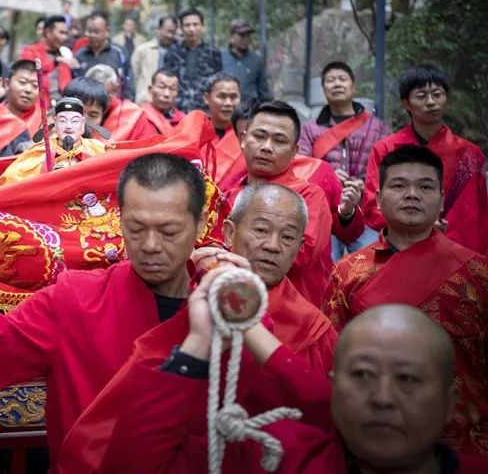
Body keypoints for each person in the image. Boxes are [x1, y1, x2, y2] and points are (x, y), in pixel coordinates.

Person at [0, 153, 220, 466]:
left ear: (200, 223)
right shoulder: (77, 299)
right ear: (119, 219)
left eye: (168, 231)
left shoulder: (223, 303)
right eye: (136, 228)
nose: (150, 245)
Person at [67, 299, 487, 472]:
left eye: (408, 380)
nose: (382, 398)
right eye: (361, 376)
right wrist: (197, 343)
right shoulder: (275, 455)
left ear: (451, 402)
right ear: (334, 386)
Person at [324, 144, 488, 457]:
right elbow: (333, 361)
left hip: (466, 447)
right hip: (369, 440)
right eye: (399, 185)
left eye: (425, 186)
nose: (412, 194)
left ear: (441, 200)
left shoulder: (478, 274)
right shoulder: (346, 274)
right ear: (378, 197)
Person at [194, 184, 338, 368]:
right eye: (261, 230)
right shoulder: (197, 293)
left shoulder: (314, 329)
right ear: (230, 232)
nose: (273, 246)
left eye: (287, 237)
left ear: (299, 247)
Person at [362, 64, 488, 254]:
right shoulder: (385, 149)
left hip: (461, 256)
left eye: (437, 94)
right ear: (406, 103)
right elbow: (372, 206)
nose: (431, 102)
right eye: (421, 96)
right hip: (402, 251)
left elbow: (483, 217)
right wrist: (417, 226)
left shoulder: (470, 154)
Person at [228, 100, 339, 307]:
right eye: (259, 136)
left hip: (292, 317)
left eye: (279, 141)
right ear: (243, 139)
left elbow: (299, 257)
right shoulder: (229, 195)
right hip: (234, 308)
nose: (266, 147)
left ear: (295, 150)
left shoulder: (308, 197)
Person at [298, 61, 390, 259]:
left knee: (374, 263)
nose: (337, 84)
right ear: (324, 89)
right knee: (324, 264)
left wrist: (364, 185)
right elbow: (302, 167)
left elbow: (387, 167)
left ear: (353, 86)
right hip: (325, 213)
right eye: (330, 80)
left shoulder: (376, 126)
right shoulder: (310, 128)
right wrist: (328, 177)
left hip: (366, 212)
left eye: (342, 79)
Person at [0, 97, 106, 184]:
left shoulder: (98, 149)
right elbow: (10, 181)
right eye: (63, 121)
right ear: (55, 123)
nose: (68, 126)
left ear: (83, 124)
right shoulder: (39, 151)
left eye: (74, 121)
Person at [164, 8, 222, 113]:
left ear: (202, 27)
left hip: (205, 111)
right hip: (177, 111)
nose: (191, 29)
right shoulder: (172, 53)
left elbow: (218, 83)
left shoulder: (213, 53)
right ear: (181, 28)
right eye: (187, 25)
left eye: (195, 24)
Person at [84, 65, 158, 141]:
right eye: (93, 95)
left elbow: (149, 145)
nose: (100, 100)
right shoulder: (78, 111)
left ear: (115, 91)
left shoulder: (133, 115)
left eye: (105, 95)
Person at [74, 11, 134, 100]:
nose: (92, 35)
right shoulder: (80, 55)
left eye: (96, 31)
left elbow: (129, 83)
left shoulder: (120, 53)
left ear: (107, 31)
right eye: (89, 31)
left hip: (114, 106)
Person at [19, 15, 77, 108]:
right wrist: (55, 62)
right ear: (48, 32)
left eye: (66, 33)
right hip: (38, 108)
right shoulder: (30, 51)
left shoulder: (65, 55)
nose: (64, 37)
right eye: (61, 33)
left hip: (62, 109)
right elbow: (28, 75)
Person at [220, 19, 271, 101]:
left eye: (248, 35)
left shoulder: (257, 60)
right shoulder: (219, 56)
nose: (245, 39)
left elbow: (264, 92)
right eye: (241, 35)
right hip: (225, 108)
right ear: (231, 37)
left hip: (249, 109)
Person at [132, 15, 179, 105]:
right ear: (159, 29)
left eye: (173, 32)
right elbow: (134, 75)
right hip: (144, 101)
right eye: (168, 31)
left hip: (168, 103)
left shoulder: (178, 53)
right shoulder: (142, 50)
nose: (170, 35)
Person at [0, 59, 42, 136]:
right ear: (7, 84)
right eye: (22, 82)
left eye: (35, 85)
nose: (28, 90)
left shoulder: (45, 122)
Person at [140, 68, 185, 134]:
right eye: (161, 87)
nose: (166, 94)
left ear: (177, 92)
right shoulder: (139, 117)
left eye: (172, 89)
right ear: (150, 89)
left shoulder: (184, 121)